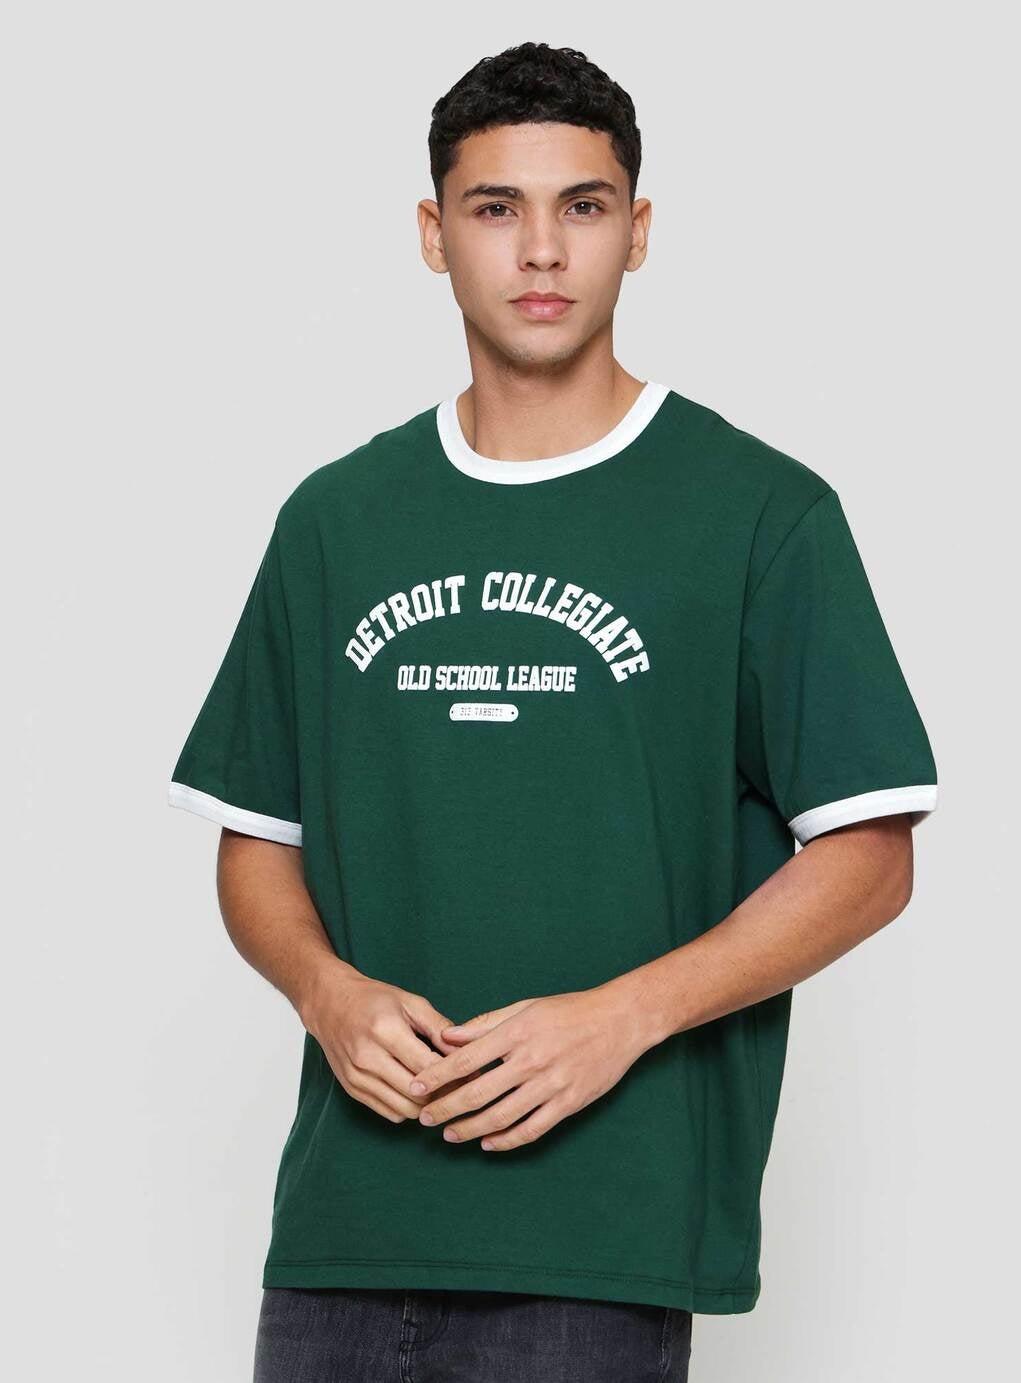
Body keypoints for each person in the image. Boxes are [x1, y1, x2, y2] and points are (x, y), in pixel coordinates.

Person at [167, 40, 938, 1383]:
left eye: (582, 206)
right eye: (496, 207)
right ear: (433, 235)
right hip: (346, 1234)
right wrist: (325, 992)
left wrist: (623, 1016)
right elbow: (255, 841)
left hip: (600, 1243)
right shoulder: (338, 519)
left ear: (636, 233)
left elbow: (870, 855)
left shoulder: (759, 512)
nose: (540, 249)